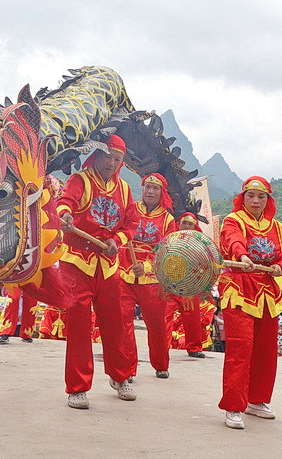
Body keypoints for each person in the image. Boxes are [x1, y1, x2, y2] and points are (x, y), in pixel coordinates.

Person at [58, 135, 140, 409]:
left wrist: (116, 242)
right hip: (78, 262)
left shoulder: (126, 189)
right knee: (79, 325)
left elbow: (131, 223)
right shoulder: (80, 180)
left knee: (115, 324)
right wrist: (65, 214)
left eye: (118, 159)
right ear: (97, 154)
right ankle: (77, 387)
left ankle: (120, 376)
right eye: (108, 156)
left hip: (108, 265)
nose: (112, 162)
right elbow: (65, 202)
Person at [217, 176, 282, 430]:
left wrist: (279, 265)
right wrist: (241, 255)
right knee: (241, 349)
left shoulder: (277, 227)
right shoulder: (234, 220)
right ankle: (233, 406)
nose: (255, 200)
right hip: (239, 289)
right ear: (243, 198)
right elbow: (232, 240)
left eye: (261, 196)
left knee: (265, 351)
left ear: (267, 200)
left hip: (267, 294)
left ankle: (257, 400)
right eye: (250, 195)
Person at [118, 173, 177, 379]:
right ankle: (127, 369)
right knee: (123, 322)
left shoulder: (168, 220)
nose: (150, 192)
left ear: (162, 193)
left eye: (155, 188)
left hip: (152, 280)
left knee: (157, 325)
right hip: (125, 273)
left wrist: (146, 266)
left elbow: (167, 252)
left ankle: (161, 363)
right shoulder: (131, 209)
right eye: (147, 187)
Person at [168, 212, 210, 359]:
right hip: (170, 285)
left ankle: (194, 348)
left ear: (194, 226)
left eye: (190, 224)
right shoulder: (170, 239)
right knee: (164, 318)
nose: (186, 226)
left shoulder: (201, 243)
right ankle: (162, 346)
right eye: (184, 223)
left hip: (189, 287)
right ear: (178, 225)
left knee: (192, 318)